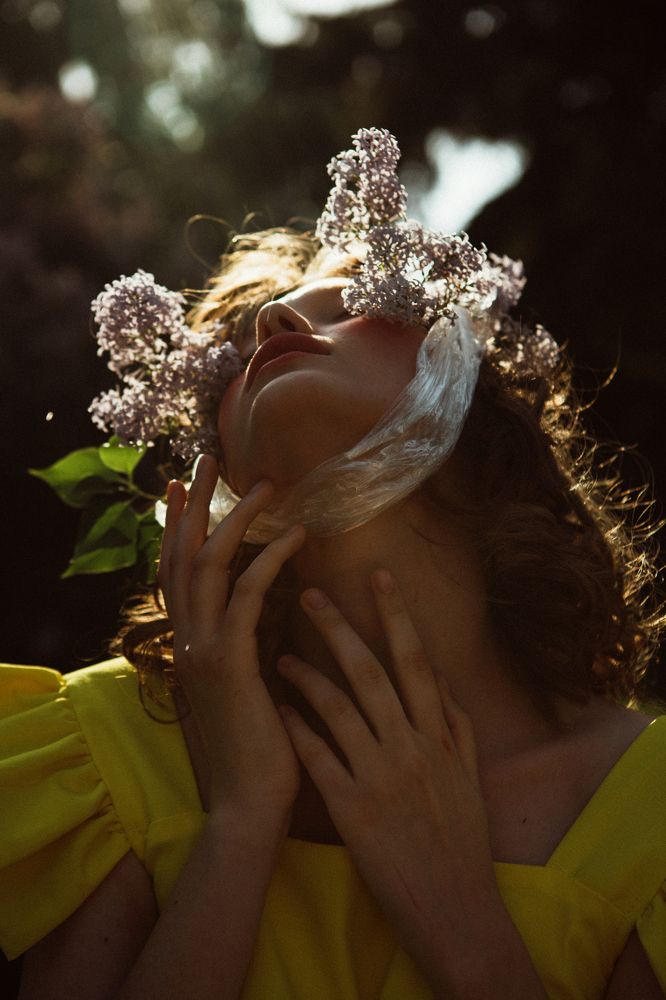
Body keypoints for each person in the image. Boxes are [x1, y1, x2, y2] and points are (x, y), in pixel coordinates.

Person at [1, 130, 665, 1000]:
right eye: (231, 365)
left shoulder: (645, 812)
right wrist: (241, 822)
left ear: (472, 393)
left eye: (354, 303)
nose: (273, 326)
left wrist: (465, 931)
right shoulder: (107, 759)